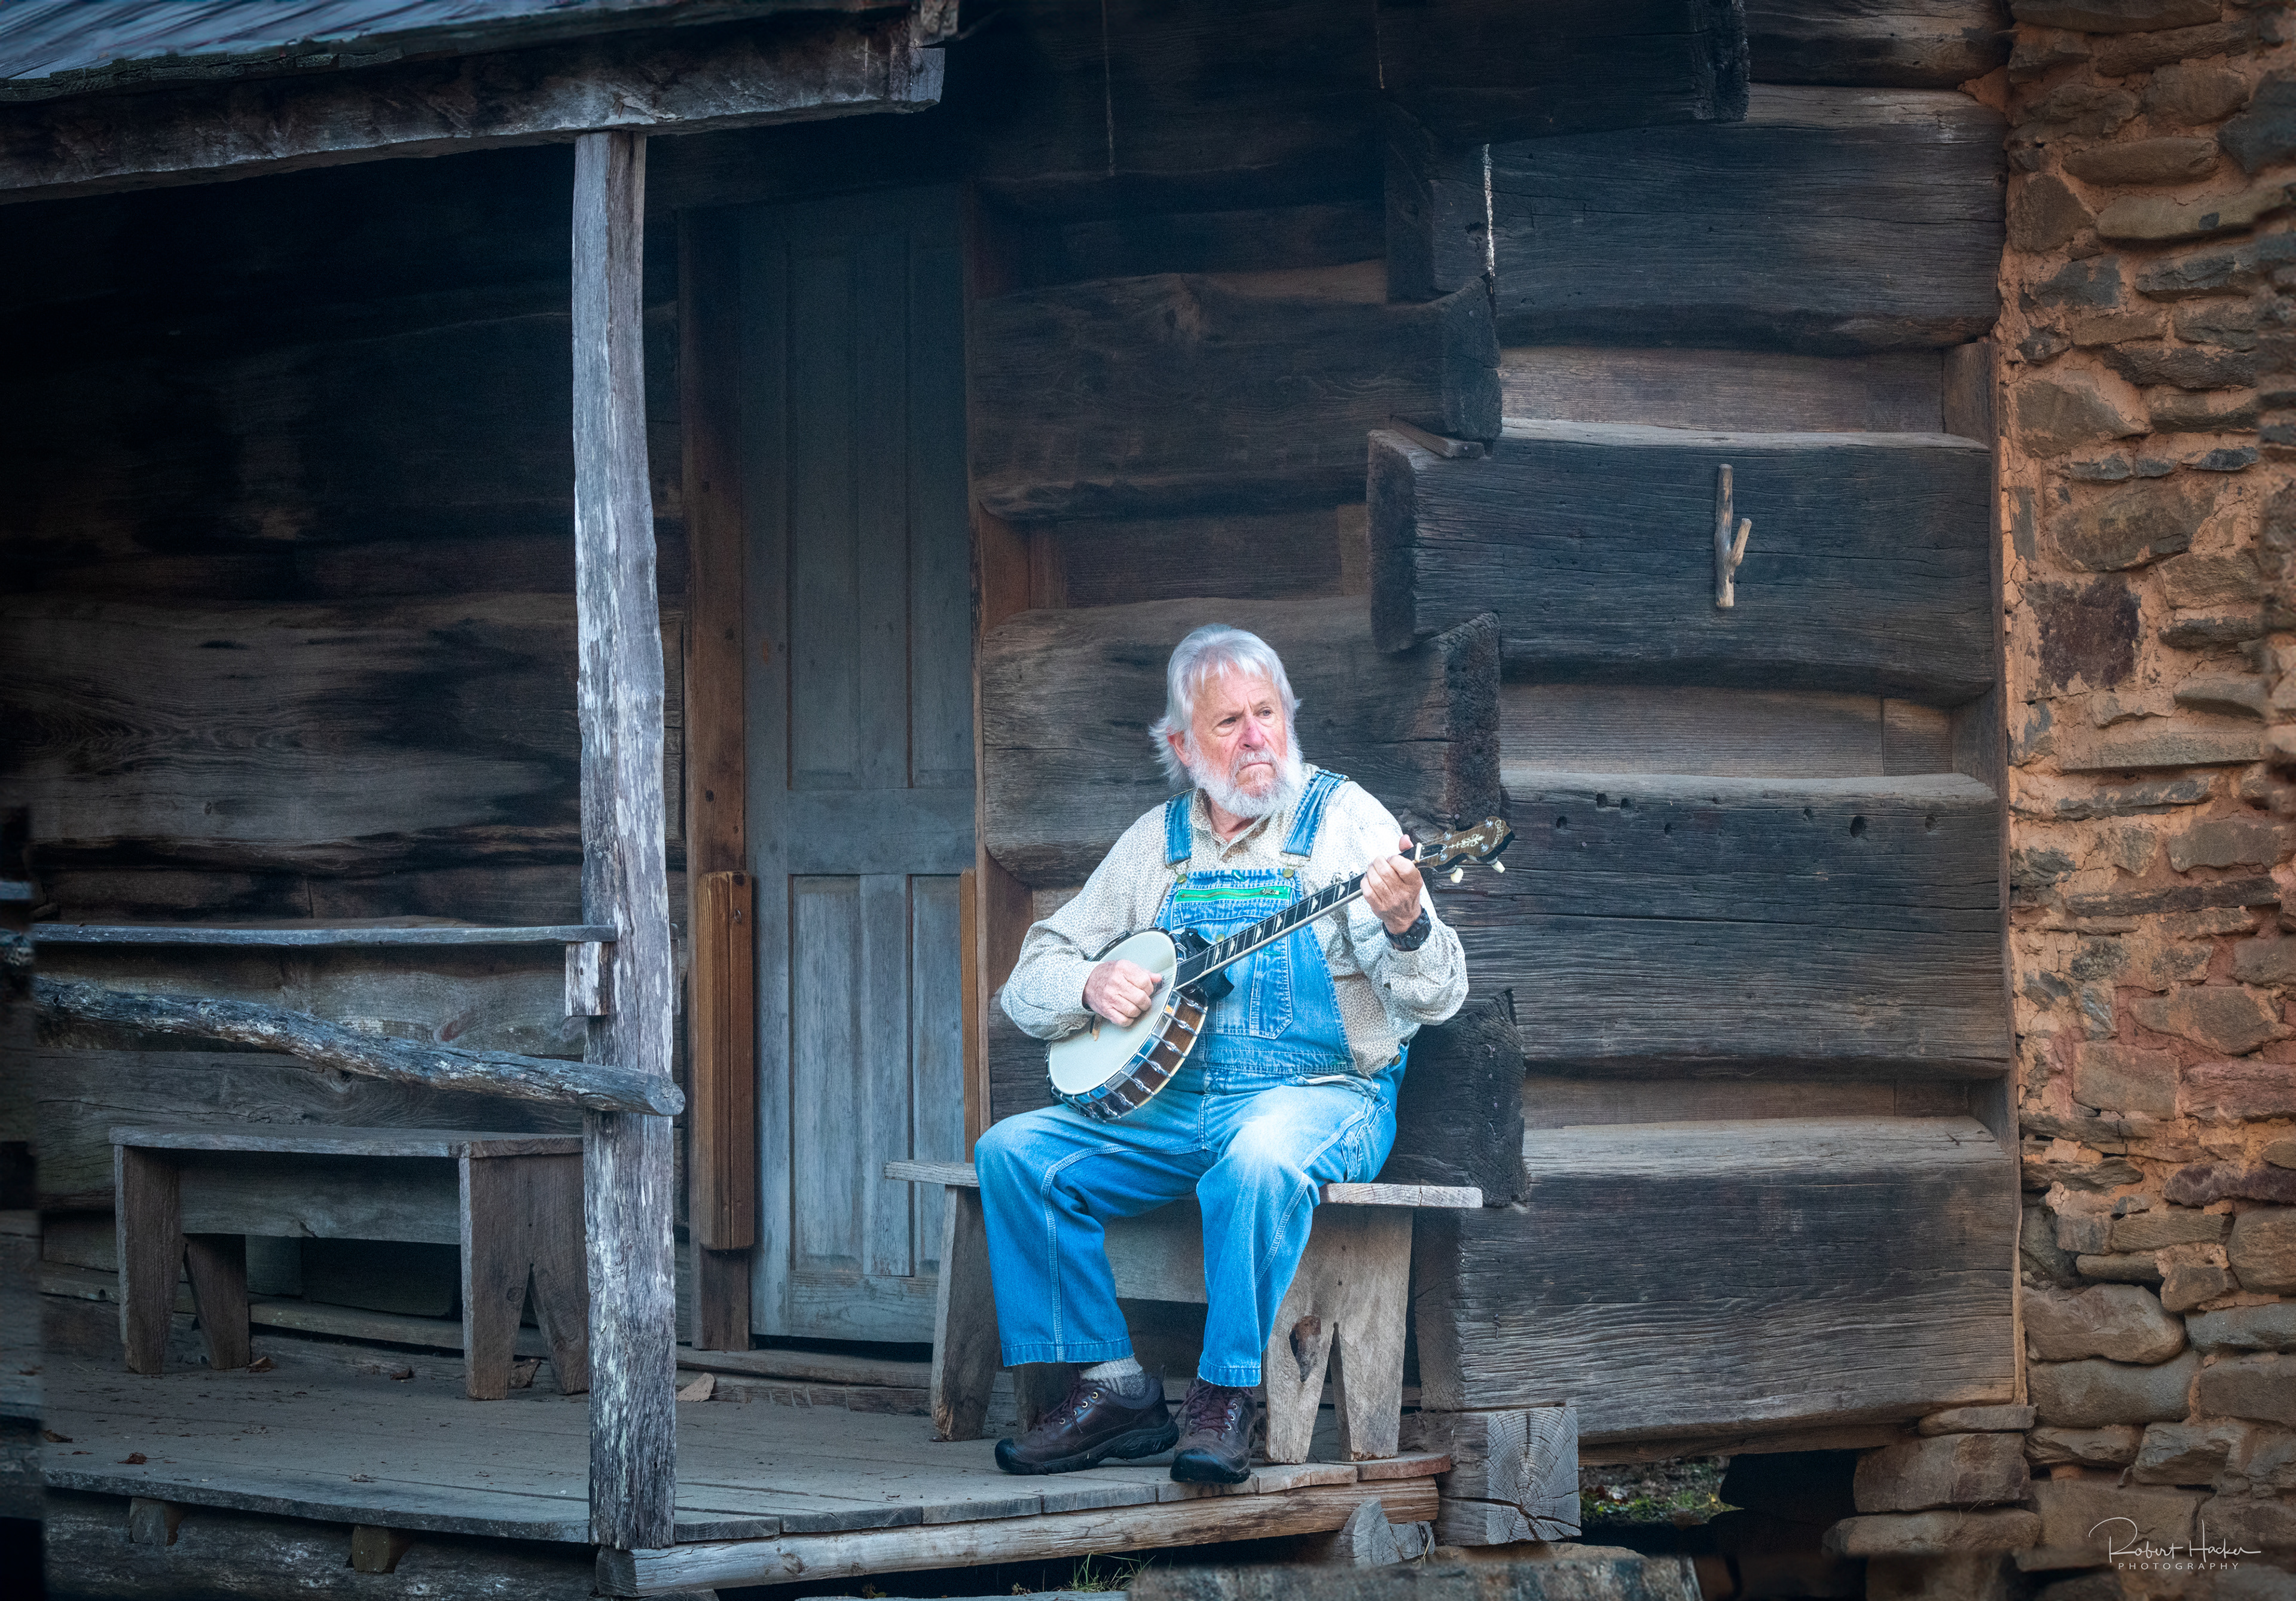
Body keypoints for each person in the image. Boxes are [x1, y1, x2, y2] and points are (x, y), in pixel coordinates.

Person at [978, 623, 1468, 1483]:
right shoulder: (1156, 844)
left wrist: (1408, 920)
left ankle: (1226, 1394)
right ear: (1180, 744)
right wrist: (1091, 983)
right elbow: (1028, 980)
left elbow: (1435, 996)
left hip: (1323, 1095)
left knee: (1255, 1162)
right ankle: (1113, 1386)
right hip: (1174, 1107)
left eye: (1267, 713)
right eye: (1228, 721)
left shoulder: (1345, 823)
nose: (1255, 738)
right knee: (1014, 1153)